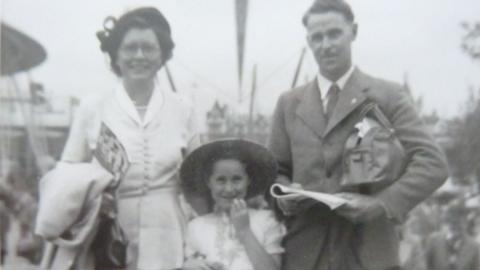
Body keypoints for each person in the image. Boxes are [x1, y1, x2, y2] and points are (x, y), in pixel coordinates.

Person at [267, 0, 449, 269]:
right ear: (308, 42)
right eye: (317, 37)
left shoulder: (388, 96)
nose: (326, 44)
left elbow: (433, 164)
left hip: (369, 252)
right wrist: (283, 196)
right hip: (305, 254)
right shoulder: (288, 103)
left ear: (353, 32)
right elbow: (273, 171)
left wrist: (381, 204)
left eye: (334, 34)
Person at [60, 7, 199, 270]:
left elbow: (199, 179)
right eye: (130, 48)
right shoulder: (93, 107)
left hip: (167, 233)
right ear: (116, 55)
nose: (139, 56)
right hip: (106, 230)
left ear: (162, 55)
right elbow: (66, 172)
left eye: (148, 48)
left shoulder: (184, 108)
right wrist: (91, 199)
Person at [180, 139, 285, 270]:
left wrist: (244, 231)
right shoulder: (196, 227)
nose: (229, 189)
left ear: (248, 180)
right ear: (209, 182)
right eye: (221, 180)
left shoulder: (266, 220)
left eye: (236, 179)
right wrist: (190, 266)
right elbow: (191, 261)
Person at [425, 198, 479, 270]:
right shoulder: (434, 241)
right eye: (453, 223)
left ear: (466, 223)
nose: (456, 226)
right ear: (447, 222)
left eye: (460, 223)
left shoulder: (474, 247)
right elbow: (425, 266)